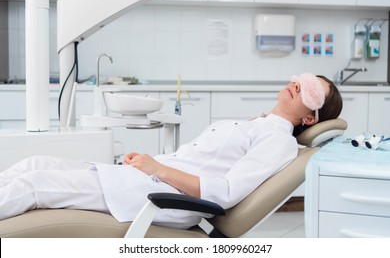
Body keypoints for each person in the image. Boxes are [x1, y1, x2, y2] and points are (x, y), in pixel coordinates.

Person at [0, 73, 343, 229]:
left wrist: (155, 167)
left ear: (310, 116)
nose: (299, 84)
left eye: (312, 90)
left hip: (162, 198)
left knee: (34, 185)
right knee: (34, 163)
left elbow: (224, 194)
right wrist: (150, 164)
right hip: (146, 181)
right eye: (304, 78)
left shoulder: (279, 141)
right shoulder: (259, 124)